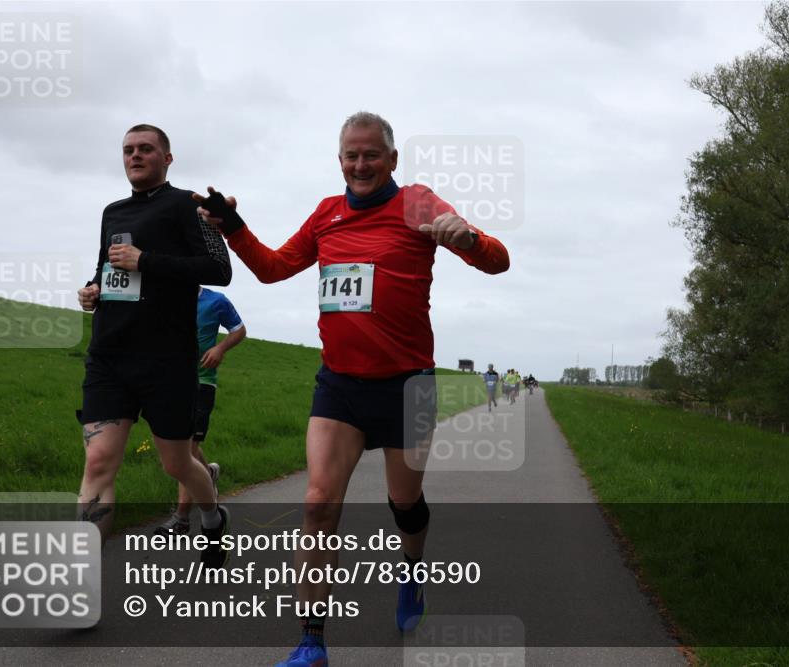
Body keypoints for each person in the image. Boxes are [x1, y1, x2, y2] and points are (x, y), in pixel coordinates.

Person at [197, 111, 509, 667]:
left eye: (371, 155)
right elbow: (273, 268)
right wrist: (233, 228)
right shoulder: (327, 214)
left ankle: (412, 573)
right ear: (339, 160)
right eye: (350, 155)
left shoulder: (417, 202)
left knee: (404, 502)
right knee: (318, 504)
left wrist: (469, 239)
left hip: (409, 387)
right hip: (339, 385)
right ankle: (311, 642)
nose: (360, 165)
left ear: (392, 159)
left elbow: (498, 261)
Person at [76, 124, 233, 568]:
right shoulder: (113, 212)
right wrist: (92, 289)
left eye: (146, 149)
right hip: (110, 355)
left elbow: (219, 269)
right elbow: (107, 269)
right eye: (128, 149)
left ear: (167, 158)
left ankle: (212, 516)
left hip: (167, 358)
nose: (135, 156)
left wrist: (145, 261)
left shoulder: (188, 205)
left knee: (177, 464)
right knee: (98, 463)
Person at [154, 287, 246, 536]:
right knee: (182, 446)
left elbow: (239, 330)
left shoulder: (216, 301)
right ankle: (208, 473)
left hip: (202, 382)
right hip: (171, 382)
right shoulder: (165, 297)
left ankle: (181, 518)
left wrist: (220, 349)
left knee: (188, 450)